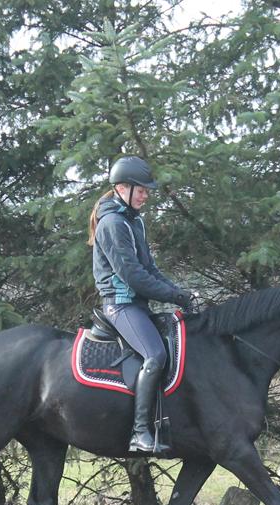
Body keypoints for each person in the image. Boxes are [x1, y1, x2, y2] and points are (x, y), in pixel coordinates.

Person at [89, 155, 199, 452]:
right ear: (123, 188)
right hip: (120, 305)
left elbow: (149, 268)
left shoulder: (133, 221)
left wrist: (178, 292)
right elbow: (133, 276)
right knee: (155, 355)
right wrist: (172, 296)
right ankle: (139, 433)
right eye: (142, 190)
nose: (146, 195)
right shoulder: (112, 223)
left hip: (136, 305)